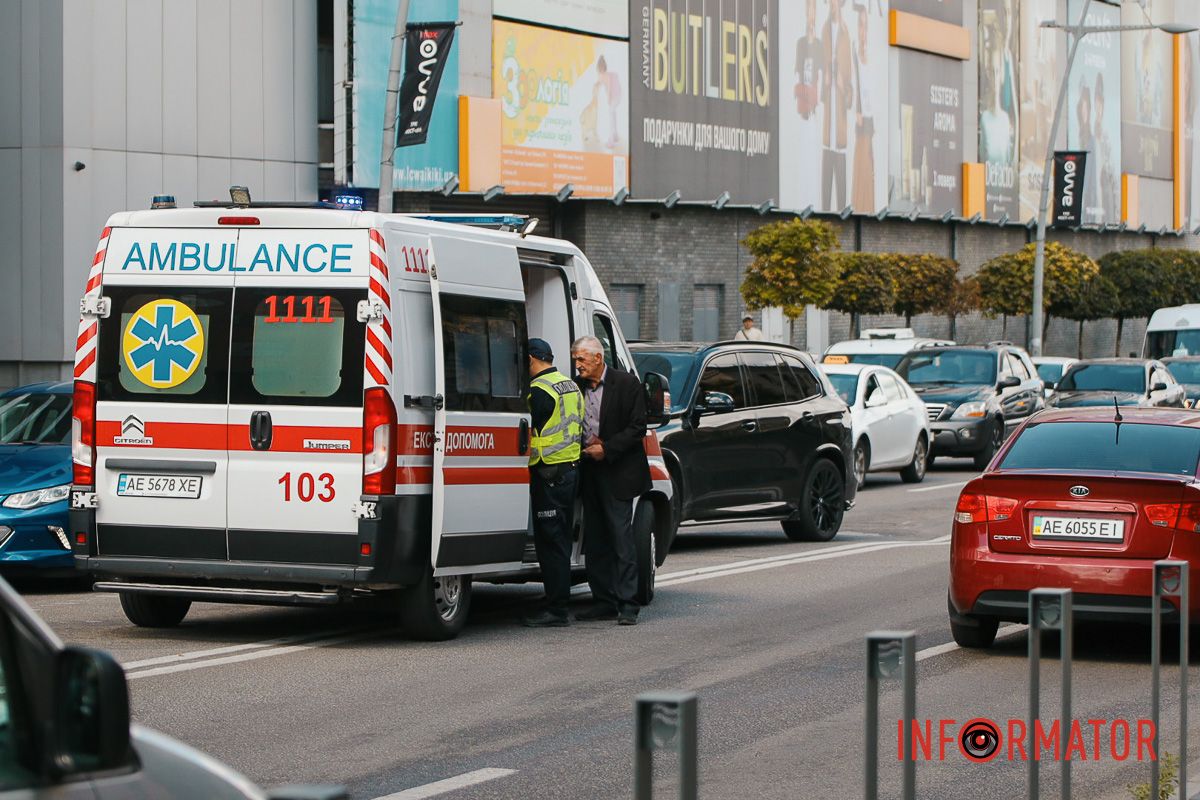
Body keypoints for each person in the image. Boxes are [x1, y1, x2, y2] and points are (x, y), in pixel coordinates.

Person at [571, 336, 650, 626]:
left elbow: (637, 427)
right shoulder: (576, 386)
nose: (577, 365)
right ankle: (603, 600)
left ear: (598, 358)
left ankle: (628, 603)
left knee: (621, 538)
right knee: (595, 539)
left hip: (618, 470)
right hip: (589, 470)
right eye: (575, 359)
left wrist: (606, 449)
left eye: (581, 359)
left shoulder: (626, 383)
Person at [521, 338, 584, 628]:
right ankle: (558, 602)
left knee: (551, 543)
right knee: (560, 540)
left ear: (531, 359)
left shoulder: (538, 391)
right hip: (569, 470)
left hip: (548, 474)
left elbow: (527, 431)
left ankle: (557, 609)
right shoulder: (569, 385)